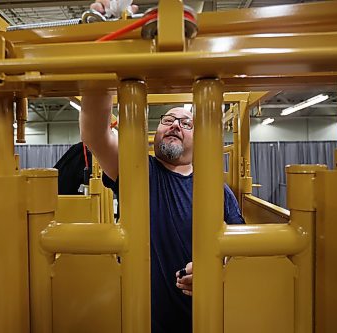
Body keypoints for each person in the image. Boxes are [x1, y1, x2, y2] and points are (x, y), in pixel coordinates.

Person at [80, 90, 244, 333]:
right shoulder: (139, 171)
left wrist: (215, 270)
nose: (175, 125)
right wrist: (101, 78)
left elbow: (242, 249)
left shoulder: (215, 189)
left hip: (205, 320)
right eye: (167, 120)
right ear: (155, 133)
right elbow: (95, 134)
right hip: (143, 321)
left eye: (186, 123)